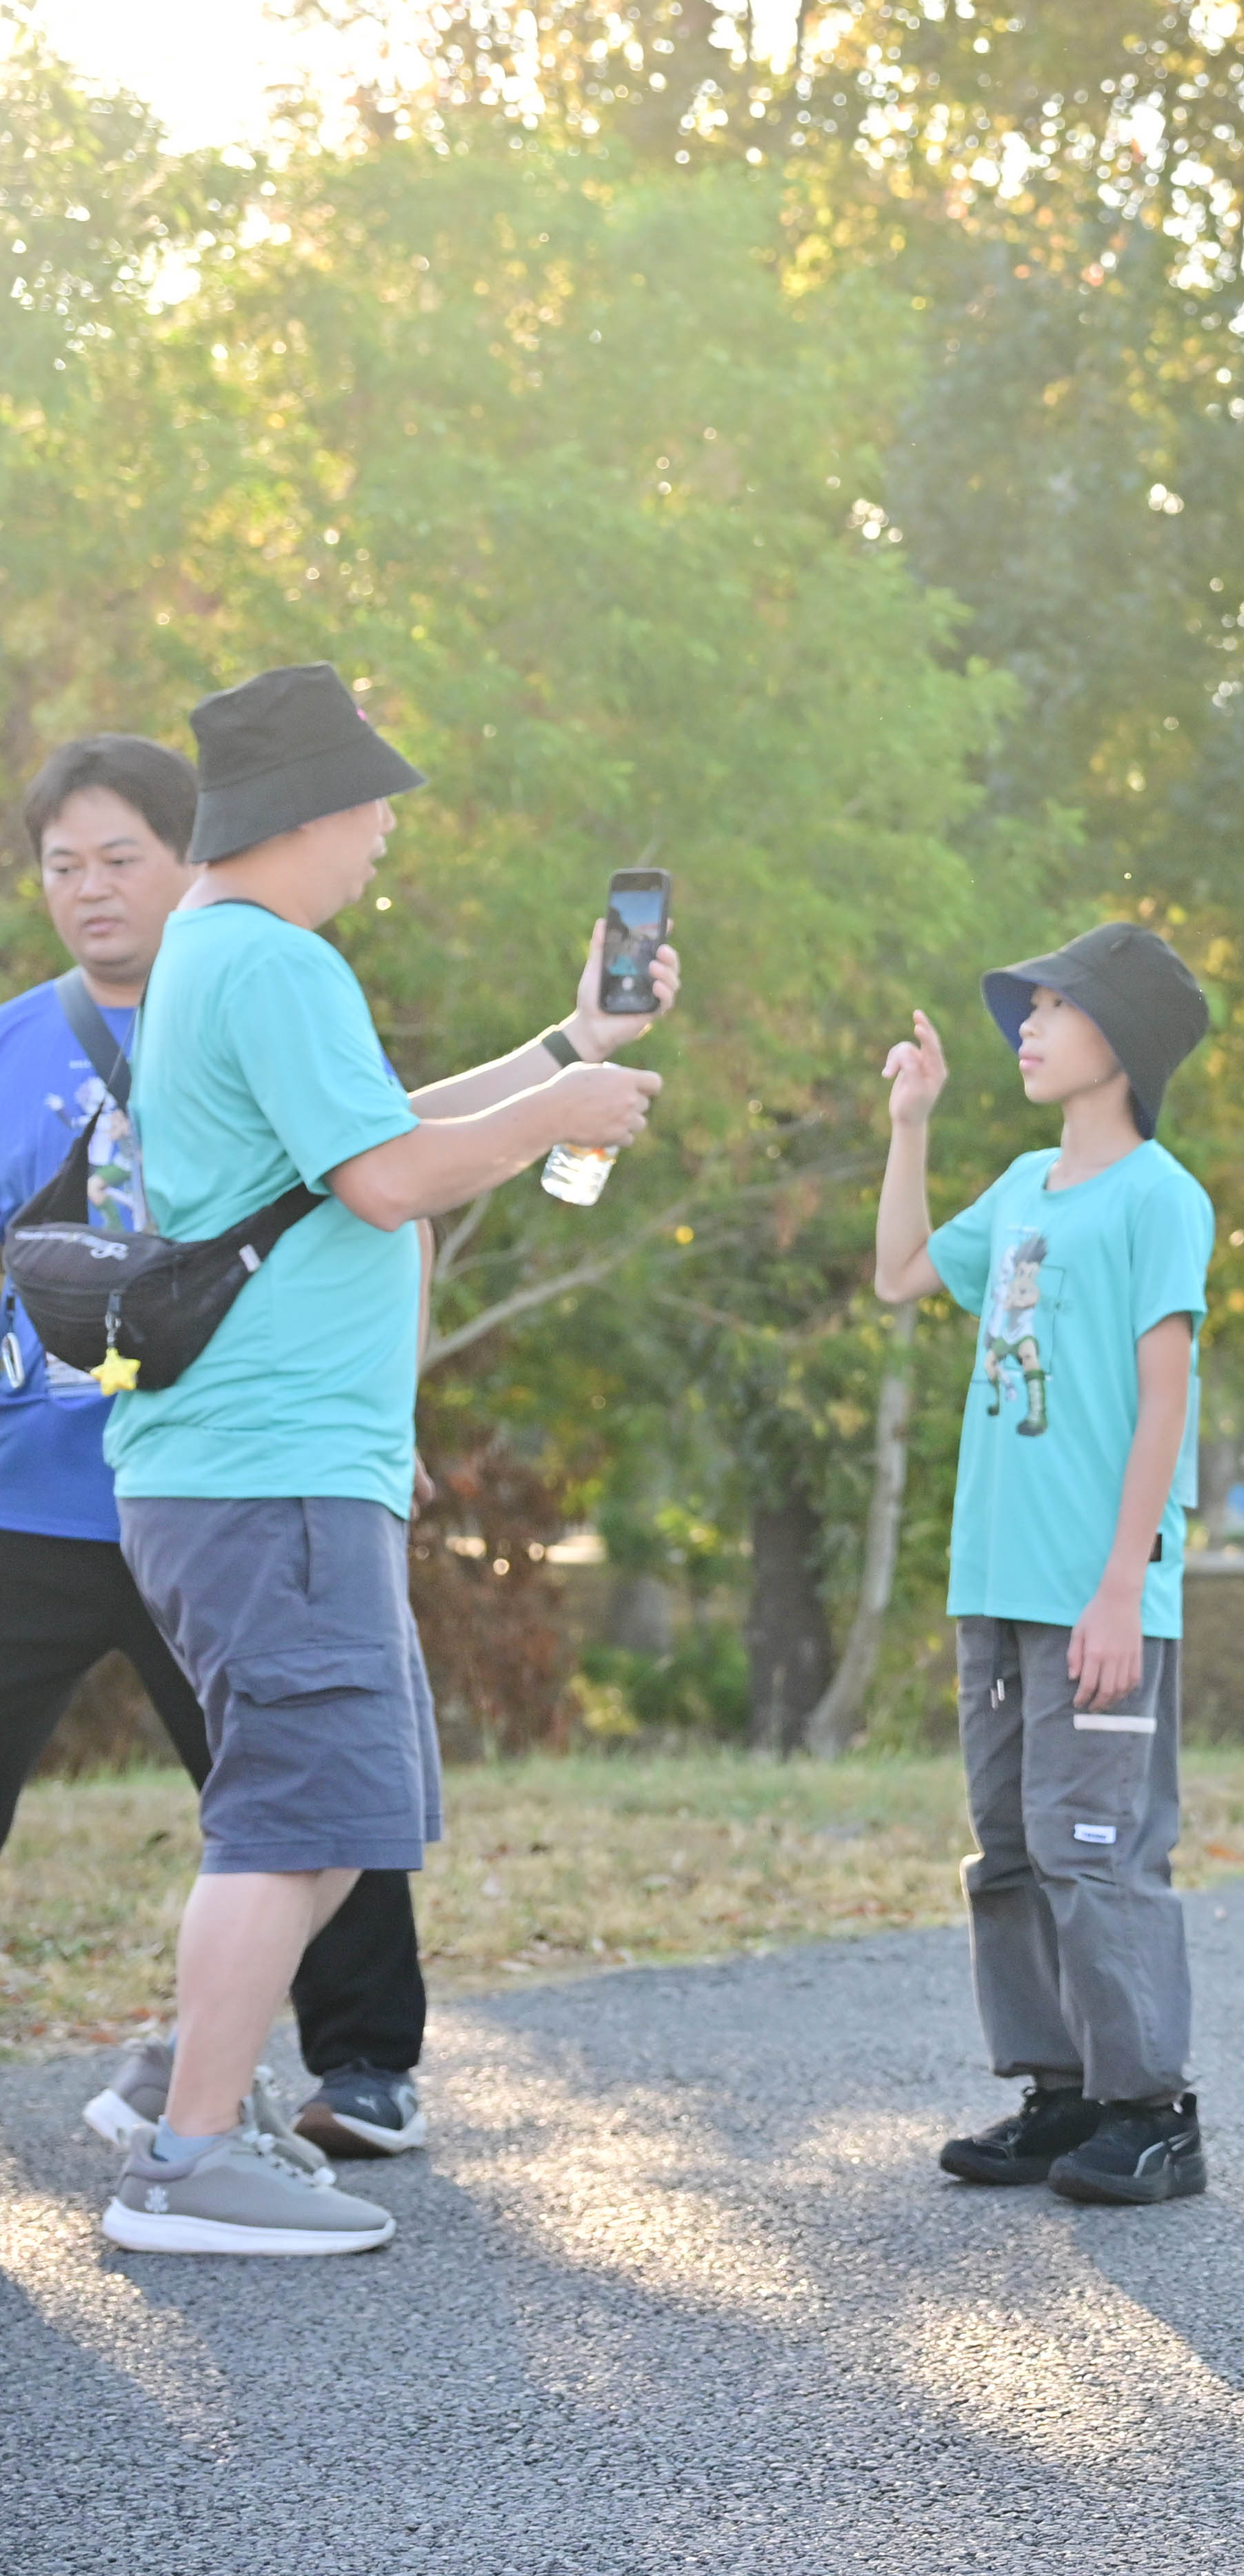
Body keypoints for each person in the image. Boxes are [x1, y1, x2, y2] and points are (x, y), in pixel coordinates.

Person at [99, 666, 663, 2257]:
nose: (383, 838)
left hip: (272, 1462)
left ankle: (177, 2091)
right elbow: (391, 1179)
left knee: (352, 1807)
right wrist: (564, 1105)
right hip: (270, 1466)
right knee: (300, 1815)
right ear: (306, 811)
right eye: (371, 809)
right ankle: (184, 2164)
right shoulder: (273, 960)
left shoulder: (222, 952)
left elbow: (375, 1128)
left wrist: (567, 1044)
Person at [6, 736, 430, 2167]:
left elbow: (373, 1170)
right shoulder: (29, 1040)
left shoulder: (241, 982)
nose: (89, 888)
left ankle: (344, 2067)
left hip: (219, 1469)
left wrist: (391, 1419)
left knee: (321, 1791)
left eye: (118, 856)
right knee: (309, 1790)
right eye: (61, 865)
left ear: (192, 849)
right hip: (67, 1494)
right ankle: (194, 2114)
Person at [874, 920, 1217, 2206]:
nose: (1026, 1025)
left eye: (1053, 1006)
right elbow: (901, 1273)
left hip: (1096, 1590)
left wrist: (1124, 1583)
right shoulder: (1024, 1184)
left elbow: (1164, 1396)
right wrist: (911, 1127)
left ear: (1120, 1038)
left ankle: (1152, 2108)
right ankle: (1059, 2089)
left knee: (1096, 1848)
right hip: (996, 1582)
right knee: (1012, 1847)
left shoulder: (1158, 1196)